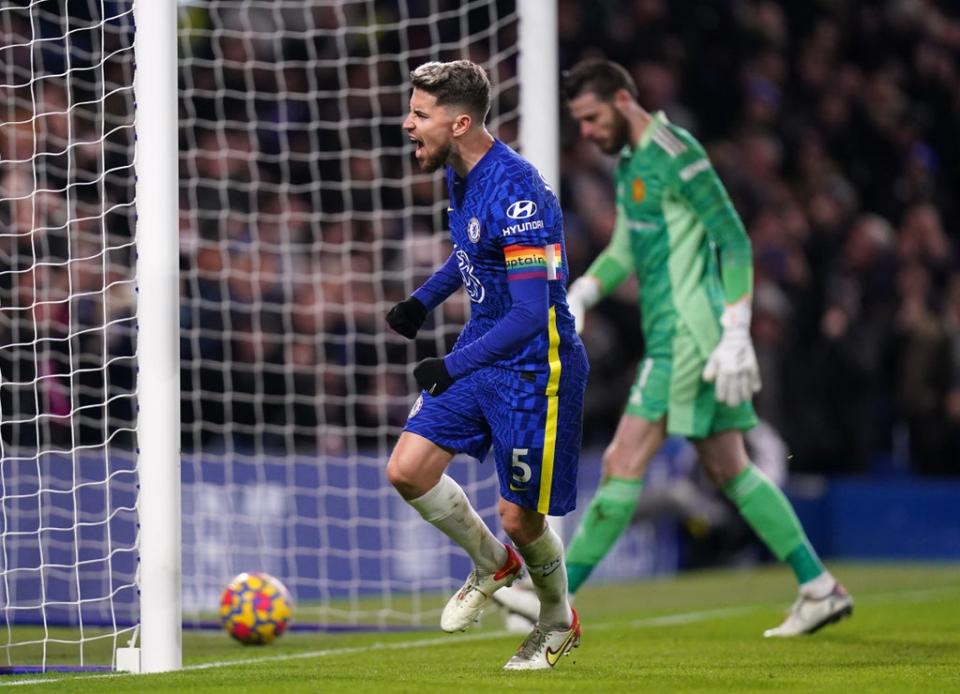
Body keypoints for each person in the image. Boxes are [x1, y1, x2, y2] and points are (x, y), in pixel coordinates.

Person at [496, 59, 852, 638]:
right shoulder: (632, 164)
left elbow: (733, 241)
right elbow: (625, 250)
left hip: (691, 337)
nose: (585, 133)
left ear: (621, 99)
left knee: (622, 461)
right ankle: (818, 587)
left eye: (590, 118)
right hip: (677, 335)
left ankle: (553, 601)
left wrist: (737, 332)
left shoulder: (675, 151)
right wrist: (585, 289)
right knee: (730, 468)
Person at [384, 60, 589, 669]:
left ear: (462, 121)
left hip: (535, 368)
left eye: (420, 114)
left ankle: (556, 619)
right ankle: (490, 564)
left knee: (519, 516)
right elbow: (471, 249)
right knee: (407, 470)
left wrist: (450, 364)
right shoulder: (462, 172)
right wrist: (423, 301)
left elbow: (529, 314)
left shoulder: (517, 189)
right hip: (482, 354)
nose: (408, 124)